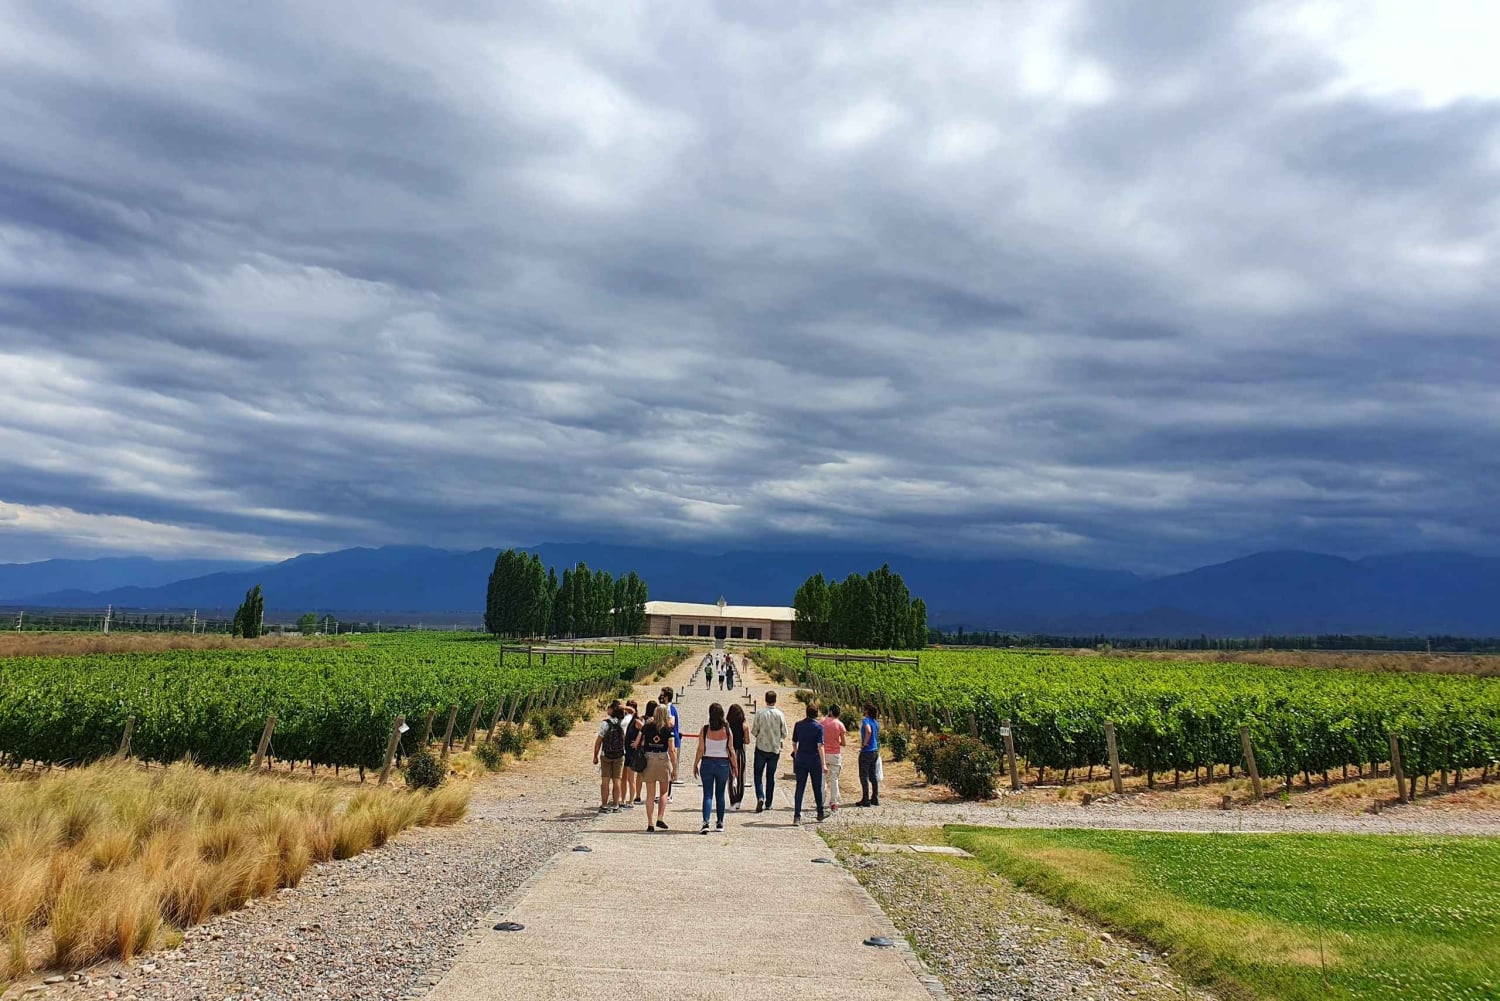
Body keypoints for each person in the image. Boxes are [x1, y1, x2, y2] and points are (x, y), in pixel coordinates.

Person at [693, 702, 738, 834]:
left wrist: (695, 763)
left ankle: (706, 822)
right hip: (723, 764)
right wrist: (735, 766)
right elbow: (731, 749)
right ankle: (720, 822)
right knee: (720, 794)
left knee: (707, 794)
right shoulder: (727, 730)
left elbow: (700, 749)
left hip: (707, 762)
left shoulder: (705, 729)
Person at [637, 702, 673, 831]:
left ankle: (650, 823)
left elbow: (639, 741)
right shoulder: (668, 729)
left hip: (649, 758)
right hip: (662, 758)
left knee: (650, 794)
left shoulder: (647, 726)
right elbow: (672, 749)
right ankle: (660, 817)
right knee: (664, 792)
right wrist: (674, 766)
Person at [750, 690, 787, 813]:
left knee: (758, 774)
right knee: (770, 776)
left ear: (765, 699)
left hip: (761, 747)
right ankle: (769, 802)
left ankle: (760, 796)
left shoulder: (760, 713)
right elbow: (784, 733)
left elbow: (754, 731)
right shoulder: (780, 714)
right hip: (774, 749)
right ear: (775, 700)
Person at [791, 702, 826, 825]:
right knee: (817, 787)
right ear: (816, 714)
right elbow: (820, 746)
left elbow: (794, 742)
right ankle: (820, 812)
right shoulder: (819, 727)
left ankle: (797, 815)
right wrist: (824, 763)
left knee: (800, 788)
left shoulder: (798, 725)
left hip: (801, 758)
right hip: (814, 760)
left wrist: (796, 754)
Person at [593, 701, 627, 812]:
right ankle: (616, 805)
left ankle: (604, 805)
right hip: (619, 755)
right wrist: (623, 707)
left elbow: (599, 741)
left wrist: (595, 756)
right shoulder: (623, 723)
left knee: (605, 780)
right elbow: (633, 712)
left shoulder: (605, 724)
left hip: (606, 754)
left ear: (612, 710)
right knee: (617, 780)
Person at [821, 704, 847, 812]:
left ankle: (820, 801)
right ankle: (834, 802)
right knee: (834, 779)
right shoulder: (840, 724)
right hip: (835, 754)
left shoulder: (822, 722)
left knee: (822, 779)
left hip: (823, 753)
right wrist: (837, 742)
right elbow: (844, 743)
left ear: (830, 712)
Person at [725, 702, 750, 810]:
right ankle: (739, 800)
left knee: (730, 777)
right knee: (740, 777)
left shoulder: (727, 726)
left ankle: (732, 800)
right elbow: (747, 741)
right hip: (739, 751)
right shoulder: (744, 726)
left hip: (729, 752)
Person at [857, 702, 880, 807]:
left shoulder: (866, 720)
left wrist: (864, 743)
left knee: (863, 775)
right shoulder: (876, 722)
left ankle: (865, 799)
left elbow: (868, 731)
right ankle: (875, 797)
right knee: (872, 775)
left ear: (866, 710)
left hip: (867, 751)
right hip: (875, 751)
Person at [660, 687, 682, 799]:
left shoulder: (669, 708)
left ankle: (668, 794)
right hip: (669, 740)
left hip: (671, 740)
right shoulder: (668, 708)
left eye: (662, 695)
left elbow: (671, 723)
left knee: (669, 767)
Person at [623, 699, 643, 806]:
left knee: (631, 778)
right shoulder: (625, 720)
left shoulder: (636, 721)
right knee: (623, 778)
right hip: (624, 750)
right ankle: (623, 799)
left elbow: (644, 730)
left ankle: (631, 800)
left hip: (631, 752)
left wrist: (638, 742)